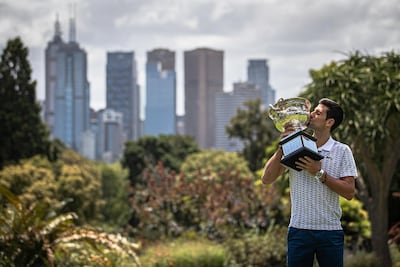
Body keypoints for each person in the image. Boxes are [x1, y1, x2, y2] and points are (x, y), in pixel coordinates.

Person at [261, 98, 357, 267]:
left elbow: (349, 192)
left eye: (318, 113)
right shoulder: (294, 145)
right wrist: (282, 147)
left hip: (330, 232)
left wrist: (319, 173)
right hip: (299, 231)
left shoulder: (342, 150)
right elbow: (266, 179)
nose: (311, 114)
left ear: (330, 122)